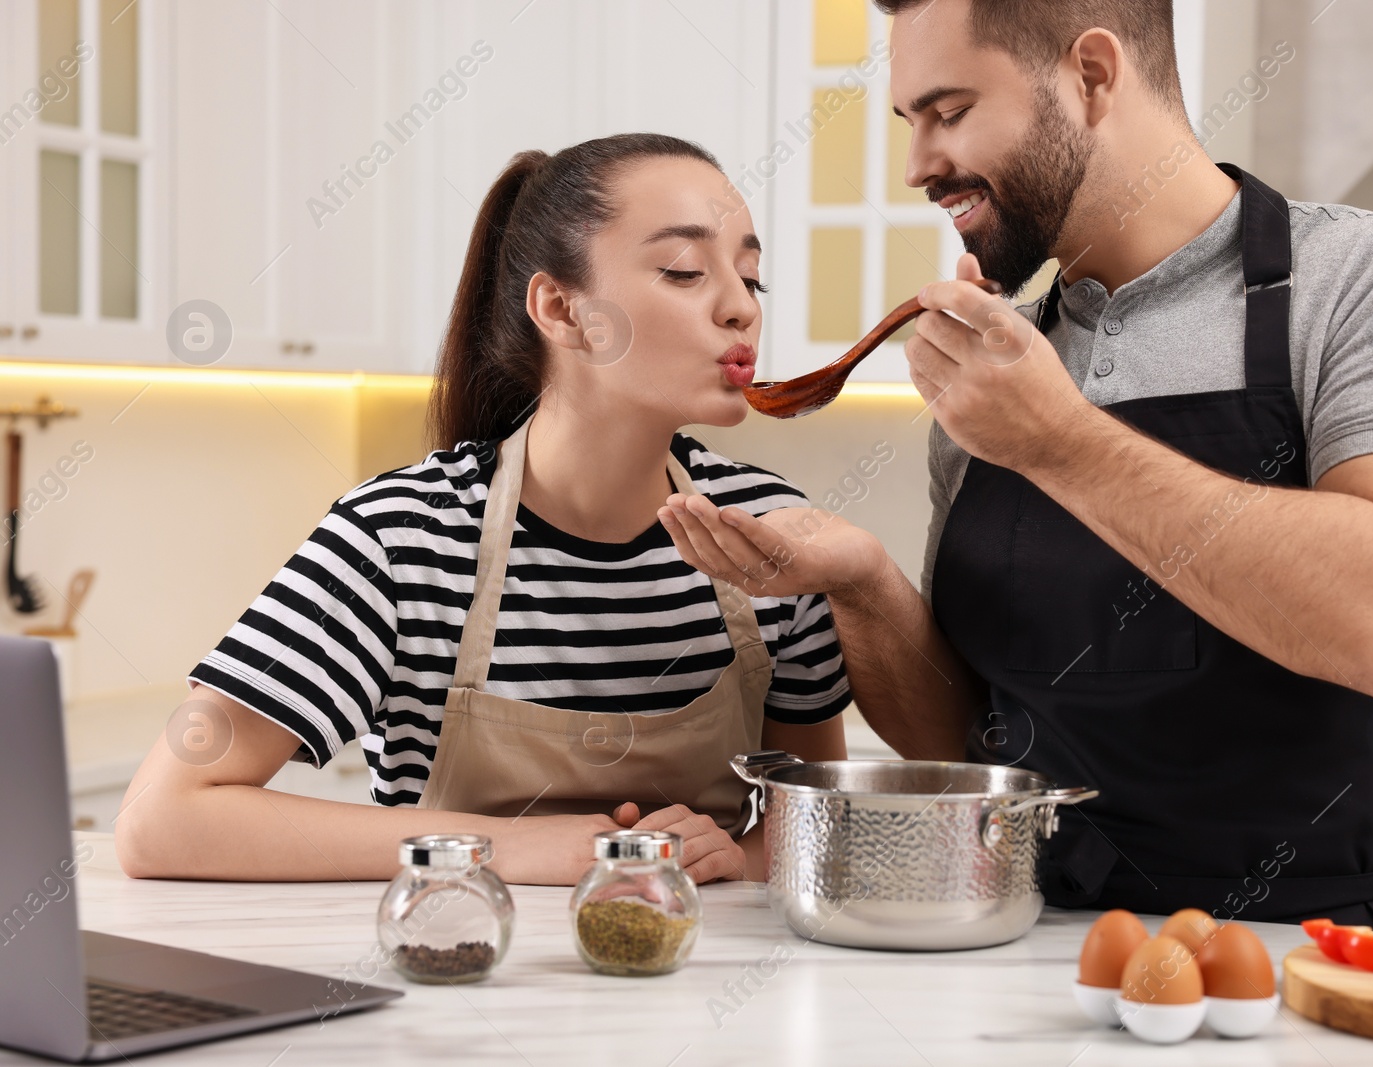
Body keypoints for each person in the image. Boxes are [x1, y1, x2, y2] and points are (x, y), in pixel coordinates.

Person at [658, 0, 1373, 926]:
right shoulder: (1001, 365)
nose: (917, 167)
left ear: (1094, 76)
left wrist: (1059, 442)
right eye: (910, 124)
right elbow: (972, 738)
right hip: (1014, 946)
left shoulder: (1372, 277)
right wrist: (862, 581)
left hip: (1292, 963)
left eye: (949, 112)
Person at [116, 134, 851, 886]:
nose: (739, 307)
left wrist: (739, 853)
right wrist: (506, 846)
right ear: (562, 310)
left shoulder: (773, 533)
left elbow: (821, 825)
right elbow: (162, 818)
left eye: (751, 277)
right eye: (684, 271)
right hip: (449, 976)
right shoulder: (401, 538)